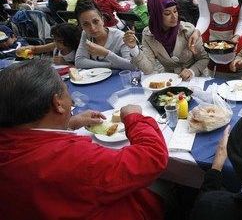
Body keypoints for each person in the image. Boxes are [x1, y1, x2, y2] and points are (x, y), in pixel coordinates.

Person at [0, 60, 169, 219]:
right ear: (58, 103)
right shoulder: (73, 158)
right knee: (168, 186)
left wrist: (69, 123)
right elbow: (152, 157)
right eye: (66, 90)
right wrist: (134, 117)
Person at [124, 0, 208, 79]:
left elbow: (204, 58)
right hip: (169, 81)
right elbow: (148, 69)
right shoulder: (148, 34)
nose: (174, 16)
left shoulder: (187, 30)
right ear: (156, 15)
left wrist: (192, 71)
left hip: (195, 80)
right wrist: (133, 48)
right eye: (167, 13)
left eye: (175, 11)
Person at [74, 0, 134, 70]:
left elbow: (132, 65)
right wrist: (110, 65)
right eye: (86, 24)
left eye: (95, 21)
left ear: (102, 20)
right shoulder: (86, 34)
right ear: (81, 26)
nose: (92, 28)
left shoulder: (119, 36)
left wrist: (106, 53)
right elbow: (79, 62)